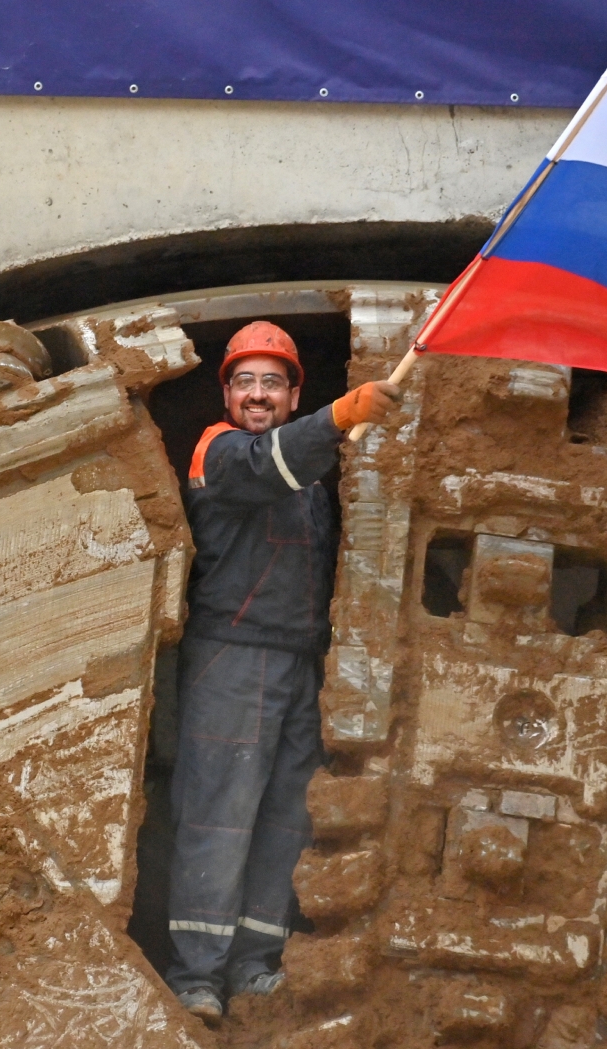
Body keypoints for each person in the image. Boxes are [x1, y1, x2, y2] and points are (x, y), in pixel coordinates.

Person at [167, 321, 400, 1023]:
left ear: (292, 394)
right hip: (232, 658)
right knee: (219, 813)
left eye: (273, 382)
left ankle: (254, 965)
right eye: (245, 381)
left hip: (300, 662)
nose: (258, 394)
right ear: (226, 394)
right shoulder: (220, 451)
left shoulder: (311, 483)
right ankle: (195, 975)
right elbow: (267, 465)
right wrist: (342, 415)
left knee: (286, 818)